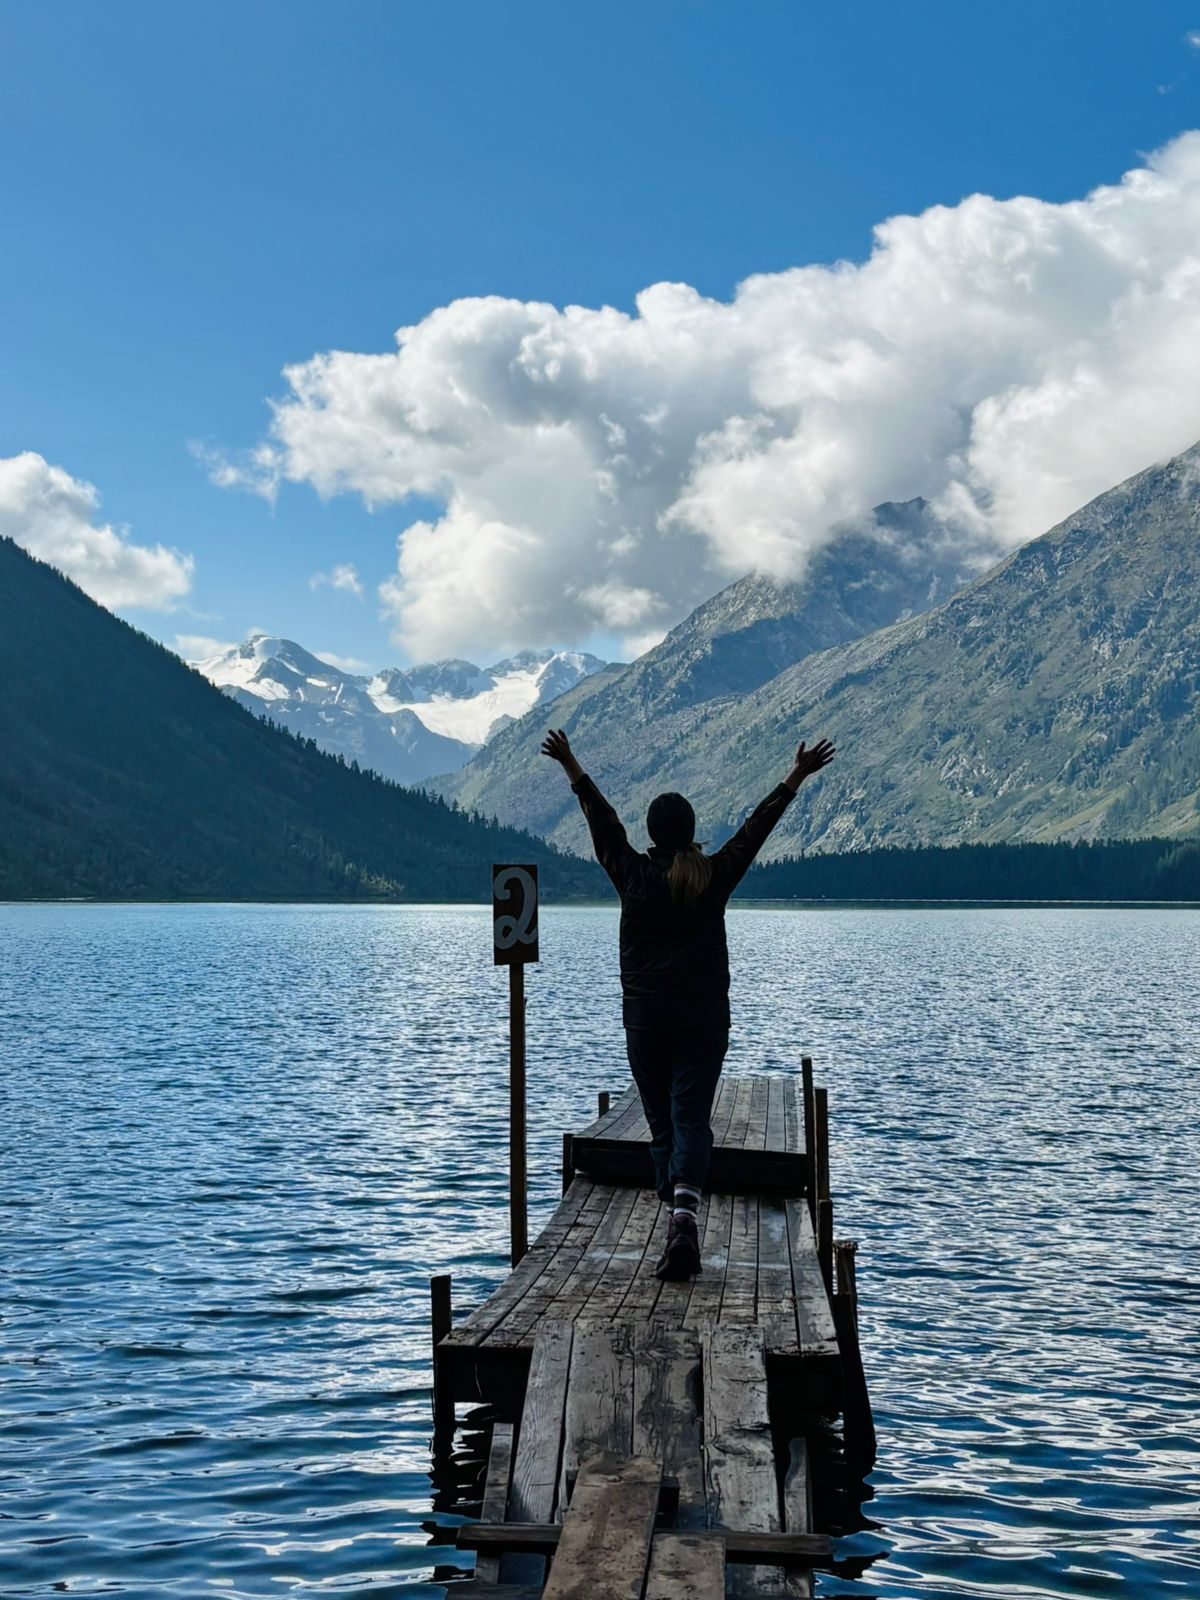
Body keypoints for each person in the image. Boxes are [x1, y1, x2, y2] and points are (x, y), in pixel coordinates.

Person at [540, 728, 836, 1281]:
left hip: (647, 1018)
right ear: (692, 832)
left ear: (652, 834)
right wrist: (794, 777)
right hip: (703, 1019)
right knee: (692, 1119)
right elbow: (755, 831)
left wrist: (573, 765)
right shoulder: (713, 876)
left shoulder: (632, 875)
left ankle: (676, 1210)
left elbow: (602, 824)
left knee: (663, 1126)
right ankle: (683, 1212)